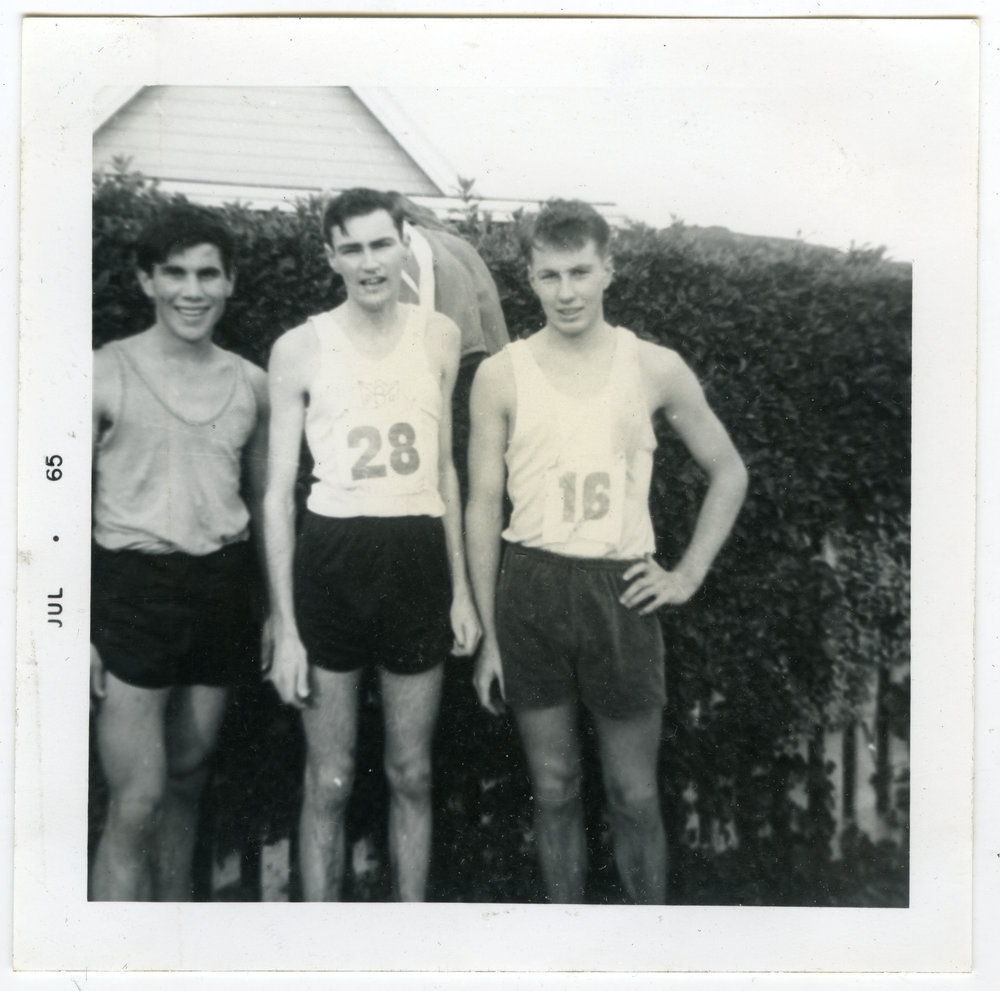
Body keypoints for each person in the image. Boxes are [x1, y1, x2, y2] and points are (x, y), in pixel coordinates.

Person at [466, 199, 748, 904]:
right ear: (528, 278)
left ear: (608, 270)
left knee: (632, 793)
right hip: (530, 586)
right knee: (555, 787)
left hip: (619, 589)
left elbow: (729, 470)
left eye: (580, 272)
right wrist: (489, 635)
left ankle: (645, 952)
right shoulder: (501, 373)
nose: (566, 292)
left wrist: (685, 573)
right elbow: (480, 504)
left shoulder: (653, 367)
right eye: (550, 275)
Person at [263, 187, 481, 902]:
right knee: (328, 776)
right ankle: (320, 949)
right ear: (330, 257)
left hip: (416, 558)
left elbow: (446, 467)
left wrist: (460, 591)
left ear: (403, 243)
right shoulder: (299, 347)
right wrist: (287, 628)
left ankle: (408, 940)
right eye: (350, 248)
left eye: (379, 243)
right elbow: (276, 494)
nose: (367, 262)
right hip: (332, 560)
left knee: (410, 771)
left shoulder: (440, 336)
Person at [90, 205, 270, 901]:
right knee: (136, 801)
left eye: (207, 274)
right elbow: (45, 500)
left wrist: (274, 612)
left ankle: (166, 950)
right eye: (175, 274)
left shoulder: (252, 383)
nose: (192, 291)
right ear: (145, 281)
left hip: (221, 588)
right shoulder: (100, 374)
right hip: (133, 589)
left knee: (191, 777)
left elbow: (262, 504)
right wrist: (64, 622)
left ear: (229, 283)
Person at [390, 191, 510, 497]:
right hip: (479, 360)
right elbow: (492, 319)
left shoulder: (408, 247)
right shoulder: (461, 246)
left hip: (434, 365)